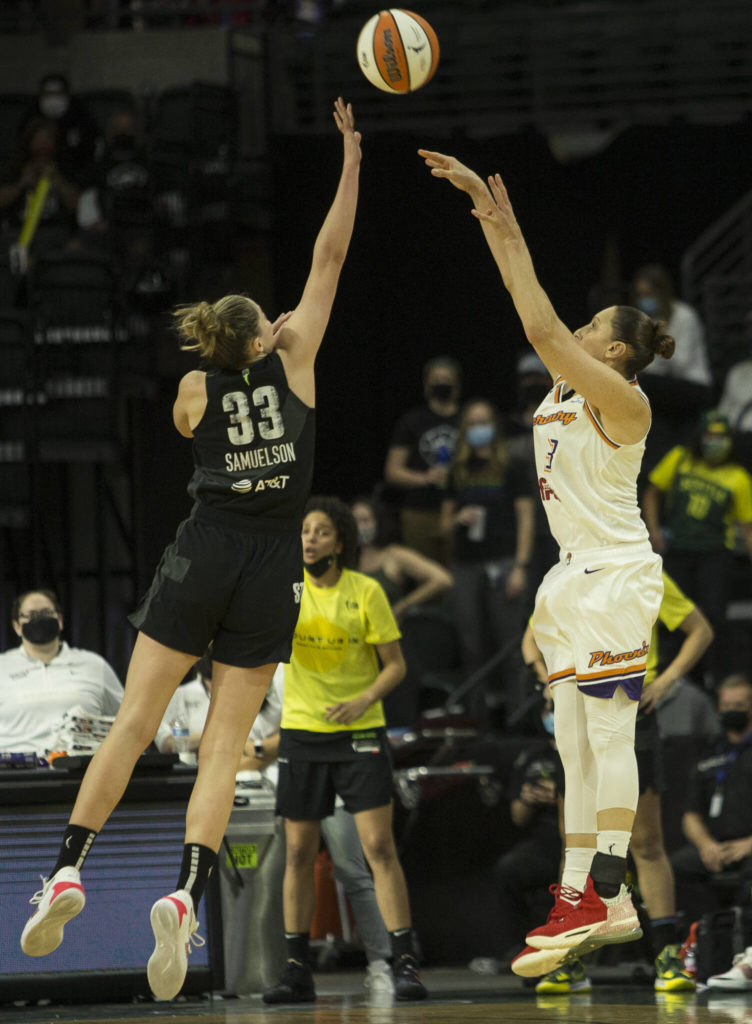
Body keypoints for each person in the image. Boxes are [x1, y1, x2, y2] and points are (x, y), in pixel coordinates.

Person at [19, 97, 362, 1003]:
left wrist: (235, 356)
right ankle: (185, 892)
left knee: (134, 725)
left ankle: (66, 873)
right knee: (221, 749)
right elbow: (330, 256)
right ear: (269, 336)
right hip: (269, 564)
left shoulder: (195, 388)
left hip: (204, 545)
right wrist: (352, 161)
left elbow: (183, 421)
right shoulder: (299, 363)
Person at [418, 147, 672, 978]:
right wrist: (492, 223)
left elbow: (537, 324)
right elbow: (539, 317)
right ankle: (587, 897)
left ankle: (607, 884)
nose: (581, 329)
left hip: (616, 570)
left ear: (620, 354)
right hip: (569, 576)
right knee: (570, 743)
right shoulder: (572, 387)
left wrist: (507, 224)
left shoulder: (625, 402)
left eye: (596, 328)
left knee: (607, 729)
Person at [263, 496, 427, 1004]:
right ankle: (296, 969)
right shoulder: (284, 593)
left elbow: (395, 666)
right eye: (305, 531)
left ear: (340, 542)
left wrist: (364, 699)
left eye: (321, 532)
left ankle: (403, 961)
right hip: (303, 732)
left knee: (378, 847)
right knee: (297, 851)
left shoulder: (367, 591)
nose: (309, 539)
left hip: (359, 733)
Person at [155, 662, 396, 995]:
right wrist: (236, 748)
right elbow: (168, 741)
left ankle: (382, 963)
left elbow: (283, 738)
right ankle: (280, 969)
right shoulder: (185, 695)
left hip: (298, 775)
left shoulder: (268, 674)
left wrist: (241, 751)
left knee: (350, 868)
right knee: (282, 871)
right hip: (229, 792)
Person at [535, 571, 714, 994]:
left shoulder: (643, 571)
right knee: (578, 845)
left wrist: (665, 682)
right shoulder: (566, 573)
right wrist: (546, 678)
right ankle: (570, 959)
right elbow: (534, 637)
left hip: (630, 714)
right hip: (580, 716)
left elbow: (700, 630)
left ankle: (667, 954)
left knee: (646, 842)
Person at [642, 410, 752, 688]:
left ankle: (709, 681)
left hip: (716, 555)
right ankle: (675, 679)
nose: (716, 442)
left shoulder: (738, 477)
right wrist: (654, 532)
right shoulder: (680, 459)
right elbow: (652, 491)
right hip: (678, 550)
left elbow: (747, 529)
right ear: (700, 437)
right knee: (674, 619)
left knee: (712, 618)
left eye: (722, 437)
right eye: (711, 436)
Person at [440, 397, 535, 712]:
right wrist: (457, 519)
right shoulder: (458, 470)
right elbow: (442, 525)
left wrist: (521, 566)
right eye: (474, 423)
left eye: (485, 422)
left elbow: (526, 518)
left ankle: (518, 712)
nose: (479, 429)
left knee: (510, 642)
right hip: (466, 563)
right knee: (471, 644)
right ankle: (476, 716)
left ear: (494, 428)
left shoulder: (512, 466)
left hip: (504, 560)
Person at [0, 589, 123, 756]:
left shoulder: (94, 664)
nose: (39, 619)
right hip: (16, 773)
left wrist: (165, 738)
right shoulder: (3, 666)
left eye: (46, 612)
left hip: (82, 769)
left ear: (60, 620)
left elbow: (129, 715)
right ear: (16, 626)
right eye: (31, 615)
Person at [671, 674, 752, 921]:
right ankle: (710, 934)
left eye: (738, 707)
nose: (731, 712)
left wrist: (749, 845)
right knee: (676, 867)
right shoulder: (710, 751)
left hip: (749, 847)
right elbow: (690, 815)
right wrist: (706, 845)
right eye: (726, 706)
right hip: (717, 847)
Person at [629, 263, 712, 472]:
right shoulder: (648, 321)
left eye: (648, 294)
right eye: (640, 295)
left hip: (693, 385)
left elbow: (680, 361)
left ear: (661, 292)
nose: (644, 300)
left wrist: (648, 358)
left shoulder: (683, 315)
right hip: (665, 386)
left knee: (641, 383)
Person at [383, 355, 462, 565]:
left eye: (447, 379)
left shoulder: (466, 419)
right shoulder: (412, 421)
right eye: (436, 379)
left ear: (457, 384)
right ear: (426, 385)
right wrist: (425, 478)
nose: (441, 384)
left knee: (458, 574)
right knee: (425, 575)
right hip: (419, 512)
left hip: (459, 510)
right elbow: (393, 471)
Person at [351, 495, 453, 619]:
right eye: (354, 521)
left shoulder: (394, 555)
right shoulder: (343, 557)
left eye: (365, 520)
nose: (359, 527)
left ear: (378, 522)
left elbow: (442, 579)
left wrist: (402, 607)